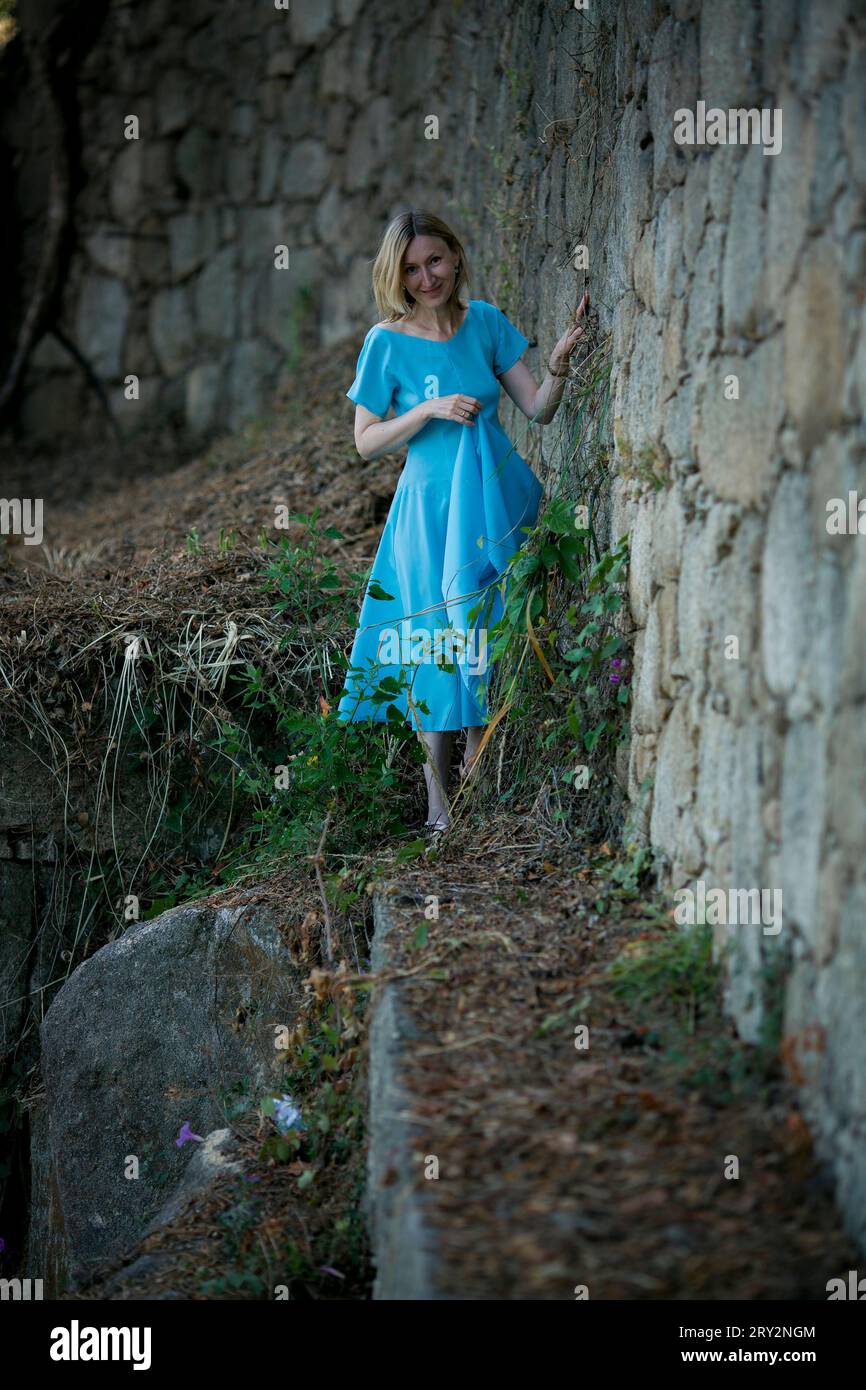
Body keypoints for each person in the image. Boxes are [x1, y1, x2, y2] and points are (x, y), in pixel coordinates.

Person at [337, 209, 588, 833]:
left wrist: (556, 365)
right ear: (397, 275)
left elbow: (538, 410)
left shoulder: (487, 324)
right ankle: (437, 808)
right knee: (436, 646)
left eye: (436, 261)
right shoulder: (386, 342)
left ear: (455, 255)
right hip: (428, 512)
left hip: (487, 505)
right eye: (413, 268)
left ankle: (476, 803)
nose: (428, 277)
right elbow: (366, 441)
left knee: (480, 636)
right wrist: (427, 408)